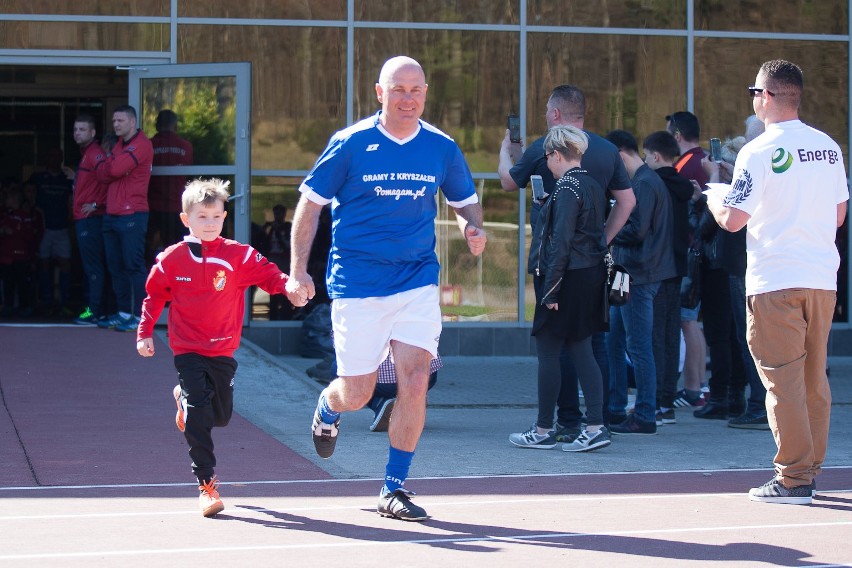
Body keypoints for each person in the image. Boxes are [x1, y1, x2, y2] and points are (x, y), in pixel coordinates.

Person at [287, 55, 487, 522]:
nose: (408, 99)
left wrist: (473, 230)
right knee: (358, 393)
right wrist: (298, 271)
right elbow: (310, 205)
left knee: (415, 380)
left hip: (416, 280)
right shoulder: (351, 144)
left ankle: (394, 488)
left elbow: (466, 203)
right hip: (358, 284)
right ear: (380, 93)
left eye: (416, 90)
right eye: (398, 90)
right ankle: (329, 404)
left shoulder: (440, 146)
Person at [704, 59, 848, 504]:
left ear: (765, 96)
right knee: (812, 381)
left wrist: (714, 198)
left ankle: (792, 478)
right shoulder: (828, 147)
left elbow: (733, 219)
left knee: (781, 381)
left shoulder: (759, 150)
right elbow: (840, 214)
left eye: (755, 93)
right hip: (822, 278)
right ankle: (810, 468)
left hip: (775, 280)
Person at [135, 178, 301, 517]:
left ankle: (183, 400)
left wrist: (289, 287)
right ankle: (206, 485)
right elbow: (154, 296)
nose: (209, 224)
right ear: (187, 220)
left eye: (215, 217)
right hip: (187, 348)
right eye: (201, 217)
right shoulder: (172, 259)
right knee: (200, 415)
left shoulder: (238, 254)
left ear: (224, 217)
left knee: (221, 417)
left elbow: (269, 274)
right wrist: (145, 332)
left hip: (223, 349)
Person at [497, 84, 635, 437]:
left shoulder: (559, 172)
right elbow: (627, 202)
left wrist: (505, 151)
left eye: (547, 112)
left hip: (559, 271)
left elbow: (511, 186)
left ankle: (559, 423)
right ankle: (600, 419)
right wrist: (600, 241)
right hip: (591, 265)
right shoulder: (603, 156)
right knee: (590, 346)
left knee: (553, 348)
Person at [509, 125, 610, 452]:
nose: (547, 163)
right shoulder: (591, 184)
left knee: (549, 353)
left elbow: (561, 243)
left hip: (564, 279)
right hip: (586, 276)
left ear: (554, 154)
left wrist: (550, 290)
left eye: (547, 156)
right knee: (582, 350)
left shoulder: (567, 187)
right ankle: (595, 424)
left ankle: (544, 428)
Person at [605, 129, 676, 435]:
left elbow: (636, 230)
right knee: (616, 342)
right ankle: (617, 408)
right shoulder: (645, 181)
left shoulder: (645, 184)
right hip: (634, 273)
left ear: (621, 156)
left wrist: (604, 230)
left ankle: (645, 413)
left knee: (637, 346)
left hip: (638, 275)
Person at [642, 131, 695, 425]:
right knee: (669, 334)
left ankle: (658, 402)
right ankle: (666, 399)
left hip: (658, 267)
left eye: (646, 155)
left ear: (656, 156)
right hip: (677, 264)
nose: (644, 161)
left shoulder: (654, 183)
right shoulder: (683, 186)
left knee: (655, 337)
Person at [96, 105, 153, 332]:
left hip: (132, 213)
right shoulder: (120, 145)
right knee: (116, 267)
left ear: (132, 122)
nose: (116, 124)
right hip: (112, 214)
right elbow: (102, 174)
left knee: (134, 266)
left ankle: (140, 317)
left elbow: (115, 169)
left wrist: (112, 162)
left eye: (120, 120)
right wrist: (113, 163)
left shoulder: (142, 144)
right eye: (114, 120)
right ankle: (123, 313)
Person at [666, 111, 709, 407]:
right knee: (691, 321)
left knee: (687, 320)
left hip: (690, 252)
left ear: (677, 136)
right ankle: (698, 385)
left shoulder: (685, 166)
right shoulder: (703, 160)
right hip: (699, 252)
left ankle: (693, 388)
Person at [69, 115, 109, 325]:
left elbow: (108, 180)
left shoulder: (95, 155)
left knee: (93, 267)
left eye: (82, 129)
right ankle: (94, 309)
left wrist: (96, 204)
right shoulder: (87, 155)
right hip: (84, 219)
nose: (77, 133)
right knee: (91, 266)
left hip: (90, 220)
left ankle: (94, 311)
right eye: (76, 129)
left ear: (92, 133)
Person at [28, 147, 73, 316]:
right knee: (43, 264)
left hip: (62, 228)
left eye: (58, 157)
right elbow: (28, 196)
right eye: (52, 156)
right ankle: (46, 302)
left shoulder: (67, 179)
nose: (55, 159)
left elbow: (73, 200)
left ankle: (63, 303)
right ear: (47, 158)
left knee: (66, 265)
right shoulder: (38, 178)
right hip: (43, 229)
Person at [148, 109, 193, 263]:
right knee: (178, 250)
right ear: (176, 125)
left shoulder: (149, 146)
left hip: (153, 206)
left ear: (156, 125)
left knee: (148, 249)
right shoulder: (186, 146)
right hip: (177, 206)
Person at [368, 354, 442, 432]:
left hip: (387, 383)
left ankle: (379, 403)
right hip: (426, 377)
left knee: (358, 380)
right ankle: (414, 401)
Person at [264, 204, 293, 320]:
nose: (278, 216)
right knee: (273, 288)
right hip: (273, 259)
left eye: (280, 213)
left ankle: (286, 314)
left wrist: (278, 231)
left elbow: (288, 246)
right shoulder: (271, 228)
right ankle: (273, 315)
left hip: (284, 259)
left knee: (285, 287)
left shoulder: (287, 227)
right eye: (276, 213)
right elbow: (265, 243)